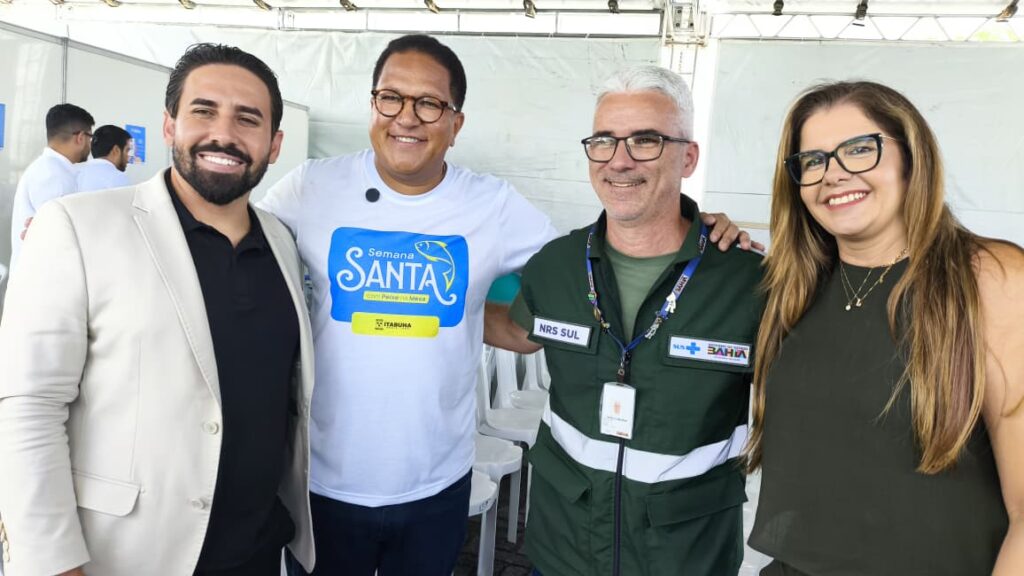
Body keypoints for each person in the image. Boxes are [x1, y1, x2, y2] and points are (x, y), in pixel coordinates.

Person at [259, 35, 750, 576]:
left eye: (429, 104)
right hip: (322, 481)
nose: (408, 118)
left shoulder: (491, 206)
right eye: (391, 98)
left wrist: (697, 230)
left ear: (455, 122)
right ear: (373, 105)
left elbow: (583, 269)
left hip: (437, 482)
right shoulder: (311, 188)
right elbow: (238, 251)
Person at [0, 43, 315, 576]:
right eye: (203, 111)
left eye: (248, 119)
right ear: (169, 126)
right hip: (128, 554)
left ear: (274, 143)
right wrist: (51, 561)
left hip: (258, 549)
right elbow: (27, 405)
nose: (225, 134)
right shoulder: (77, 226)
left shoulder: (282, 242)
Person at [486, 65, 764, 576]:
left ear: (689, 156)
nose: (619, 161)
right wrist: (413, 308)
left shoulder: (748, 281)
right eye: (604, 141)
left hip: (686, 556)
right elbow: (516, 332)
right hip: (565, 548)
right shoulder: (557, 265)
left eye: (646, 140)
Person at [746, 81, 1024, 575]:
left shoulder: (988, 278)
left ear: (912, 158)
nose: (832, 174)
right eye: (812, 161)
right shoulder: (793, 289)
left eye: (858, 150)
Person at [8, 103, 93, 272]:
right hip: (41, 281)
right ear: (81, 138)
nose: (90, 146)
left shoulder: (50, 168)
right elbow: (62, 238)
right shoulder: (54, 175)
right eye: (90, 138)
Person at [76, 124, 133, 192]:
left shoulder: (74, 172)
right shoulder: (118, 178)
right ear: (116, 150)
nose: (128, 157)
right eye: (127, 150)